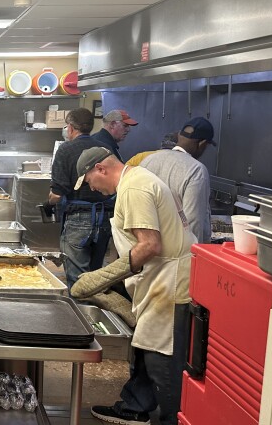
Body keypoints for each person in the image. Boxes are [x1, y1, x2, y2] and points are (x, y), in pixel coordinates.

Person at [75, 147, 194, 425]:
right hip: (158, 279)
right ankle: (134, 407)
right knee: (147, 347)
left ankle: (172, 419)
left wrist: (103, 277)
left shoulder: (134, 189)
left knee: (162, 359)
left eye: (89, 180)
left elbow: (150, 245)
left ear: (100, 169)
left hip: (170, 283)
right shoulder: (138, 179)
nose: (91, 187)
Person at [46, 108, 113, 290]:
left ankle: (81, 314)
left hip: (78, 219)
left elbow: (58, 194)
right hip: (105, 218)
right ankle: (95, 314)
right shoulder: (103, 149)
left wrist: (48, 202)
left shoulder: (66, 150)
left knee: (77, 279)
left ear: (70, 128)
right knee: (95, 274)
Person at [138, 117, 216, 244]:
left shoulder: (148, 161)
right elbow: (193, 221)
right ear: (202, 144)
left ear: (179, 135)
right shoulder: (196, 170)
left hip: (147, 246)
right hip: (177, 254)